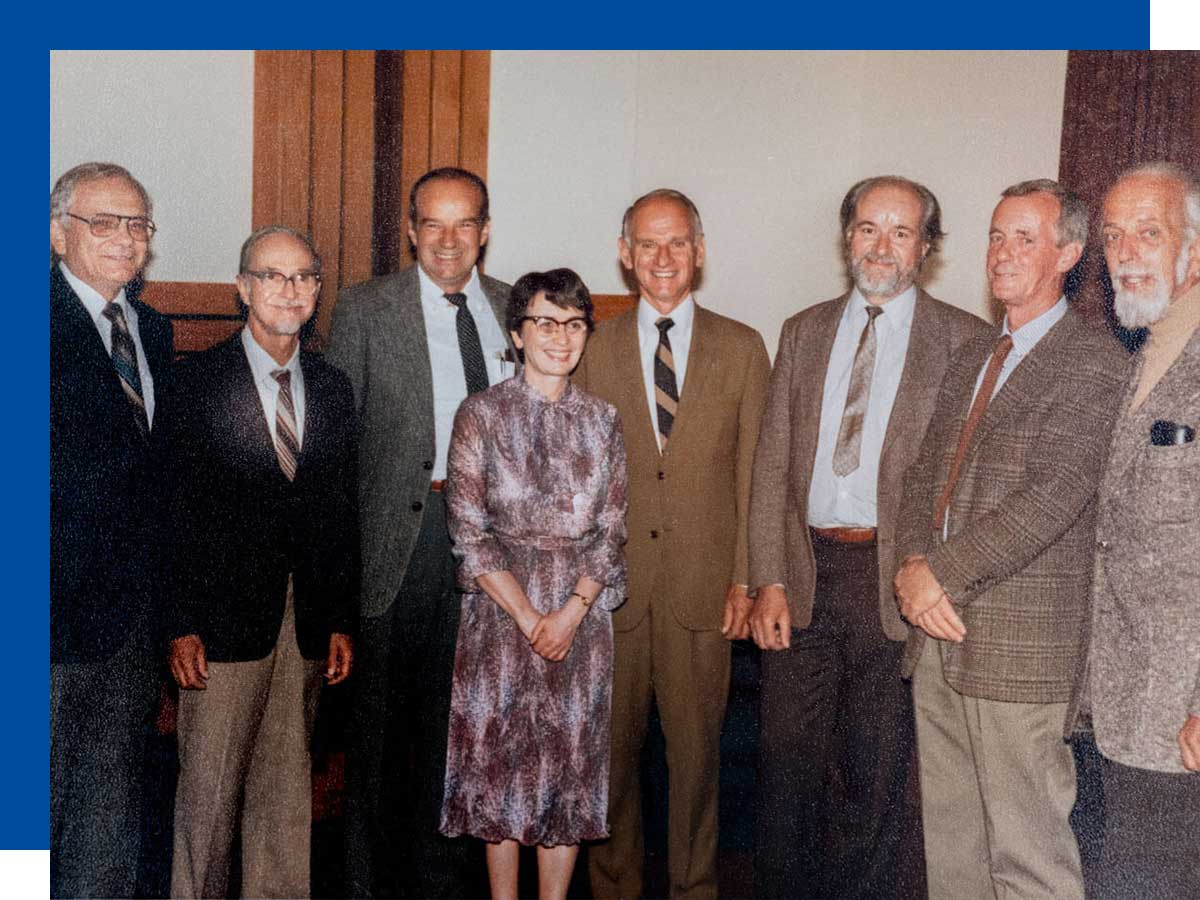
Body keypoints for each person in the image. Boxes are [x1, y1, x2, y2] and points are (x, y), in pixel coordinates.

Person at [748, 175, 989, 898]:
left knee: (873, 773)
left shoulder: (965, 342)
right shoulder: (803, 329)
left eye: (901, 232)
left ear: (927, 248)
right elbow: (770, 465)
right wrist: (769, 578)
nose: (881, 246)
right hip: (804, 572)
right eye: (867, 228)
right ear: (847, 235)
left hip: (893, 579)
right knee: (784, 768)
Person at [893, 179, 1127, 900]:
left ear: (1069, 254)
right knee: (955, 854)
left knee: (1027, 861)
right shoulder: (972, 355)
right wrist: (908, 568)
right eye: (996, 236)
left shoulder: (1095, 362)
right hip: (937, 642)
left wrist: (940, 575)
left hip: (1021, 653)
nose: (1002, 253)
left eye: (1025, 238)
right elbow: (920, 479)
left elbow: (1054, 495)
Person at [576, 188, 771, 900]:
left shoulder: (743, 347)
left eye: (678, 243)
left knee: (697, 767)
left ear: (699, 252)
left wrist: (747, 580)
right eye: (648, 245)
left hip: (705, 594)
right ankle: (614, 887)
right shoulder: (591, 347)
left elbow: (758, 475)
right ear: (625, 255)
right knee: (609, 765)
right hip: (612, 598)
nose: (663, 259)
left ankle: (695, 889)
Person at [325, 166, 511, 898]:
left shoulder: (512, 309)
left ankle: (442, 885)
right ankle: (368, 886)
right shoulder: (367, 309)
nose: (446, 240)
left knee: (462, 730)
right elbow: (338, 450)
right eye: (431, 223)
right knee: (375, 741)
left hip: (491, 550)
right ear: (409, 230)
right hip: (399, 546)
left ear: (485, 232)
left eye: (463, 224)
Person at [164, 226, 358, 899]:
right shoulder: (193, 386)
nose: (289, 290)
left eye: (304, 276)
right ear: (242, 287)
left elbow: (337, 512)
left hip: (301, 624)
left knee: (285, 796)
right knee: (207, 801)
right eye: (272, 276)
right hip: (219, 626)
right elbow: (174, 513)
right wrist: (180, 623)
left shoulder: (333, 389)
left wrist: (337, 618)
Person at [439, 267, 627, 900]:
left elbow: (611, 530)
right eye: (545, 323)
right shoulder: (480, 415)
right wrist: (528, 618)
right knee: (501, 774)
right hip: (499, 617)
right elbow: (469, 530)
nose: (560, 337)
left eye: (574, 324)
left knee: (568, 774)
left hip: (582, 617)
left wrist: (569, 614)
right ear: (517, 334)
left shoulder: (603, 420)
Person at [1066, 161, 1200, 899]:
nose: (1126, 252)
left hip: (1182, 713)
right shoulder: (1143, 355)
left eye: (1149, 232)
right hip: (1122, 705)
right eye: (1113, 235)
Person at [50, 162, 174, 899]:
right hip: (48, 621)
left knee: (110, 808)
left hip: (130, 624)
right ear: (58, 230)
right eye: (105, 222)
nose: (125, 240)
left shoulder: (152, 330)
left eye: (138, 224)